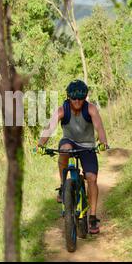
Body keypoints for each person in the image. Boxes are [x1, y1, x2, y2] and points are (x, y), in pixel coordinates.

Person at [36, 80, 108, 234]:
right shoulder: (62, 110)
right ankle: (63, 187)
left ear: (85, 97)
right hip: (70, 141)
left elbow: (99, 128)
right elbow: (49, 128)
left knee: (92, 179)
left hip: (88, 146)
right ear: (68, 97)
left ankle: (93, 217)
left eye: (80, 98)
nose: (77, 101)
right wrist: (40, 144)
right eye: (74, 98)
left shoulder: (91, 109)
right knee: (64, 149)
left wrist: (103, 143)